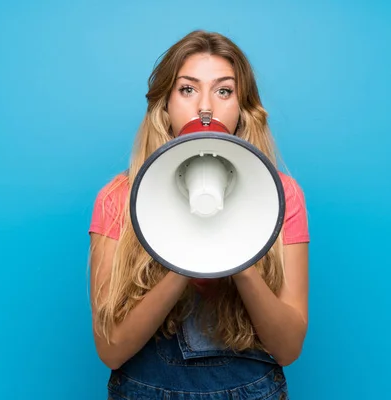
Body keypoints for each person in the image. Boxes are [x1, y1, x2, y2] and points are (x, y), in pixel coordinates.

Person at [88, 30, 310, 400]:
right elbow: (111, 350)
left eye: (224, 91)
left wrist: (237, 251)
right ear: (164, 105)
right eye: (187, 89)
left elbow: (288, 349)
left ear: (243, 108)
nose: (205, 108)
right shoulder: (118, 199)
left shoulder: (282, 196)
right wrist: (185, 252)